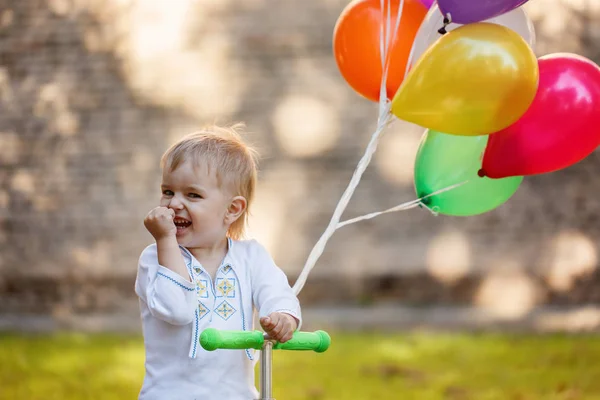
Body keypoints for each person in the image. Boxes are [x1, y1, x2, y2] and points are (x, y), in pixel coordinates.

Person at [134, 124, 302, 400]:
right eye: (168, 191)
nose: (174, 203)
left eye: (192, 195)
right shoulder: (155, 258)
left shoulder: (251, 257)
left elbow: (276, 292)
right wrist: (165, 241)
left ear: (232, 209)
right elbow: (176, 309)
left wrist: (283, 316)